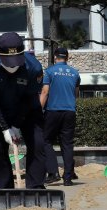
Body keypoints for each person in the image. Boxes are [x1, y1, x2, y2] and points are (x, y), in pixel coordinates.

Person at [0, 32, 47, 189]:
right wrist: (4, 128)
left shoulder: (34, 67)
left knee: (38, 144)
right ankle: (4, 189)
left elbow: (30, 99)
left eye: (16, 59)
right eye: (7, 60)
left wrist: (16, 125)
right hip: (0, 111)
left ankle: (35, 186)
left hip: (29, 111)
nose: (12, 65)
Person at [40, 47, 80, 186]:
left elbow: (45, 92)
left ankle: (53, 172)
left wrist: (39, 110)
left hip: (53, 110)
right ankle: (68, 178)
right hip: (70, 111)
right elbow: (76, 94)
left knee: (45, 141)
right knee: (67, 144)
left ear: (55, 57)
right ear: (67, 58)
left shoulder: (49, 72)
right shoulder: (75, 73)